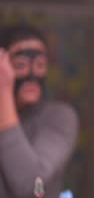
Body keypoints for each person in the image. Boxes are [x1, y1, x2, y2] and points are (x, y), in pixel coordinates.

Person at [0, 25, 78, 198]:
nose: (32, 75)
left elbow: (31, 187)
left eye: (40, 65)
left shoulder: (59, 116)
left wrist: (4, 90)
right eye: (20, 65)